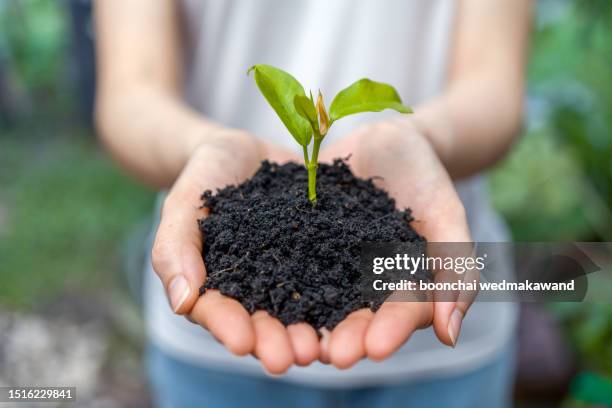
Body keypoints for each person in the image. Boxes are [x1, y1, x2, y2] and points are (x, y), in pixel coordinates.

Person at [94, 0, 531, 406]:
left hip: (443, 350)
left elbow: (494, 87)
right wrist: (202, 146)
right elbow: (131, 93)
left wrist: (422, 138)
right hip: (213, 358)